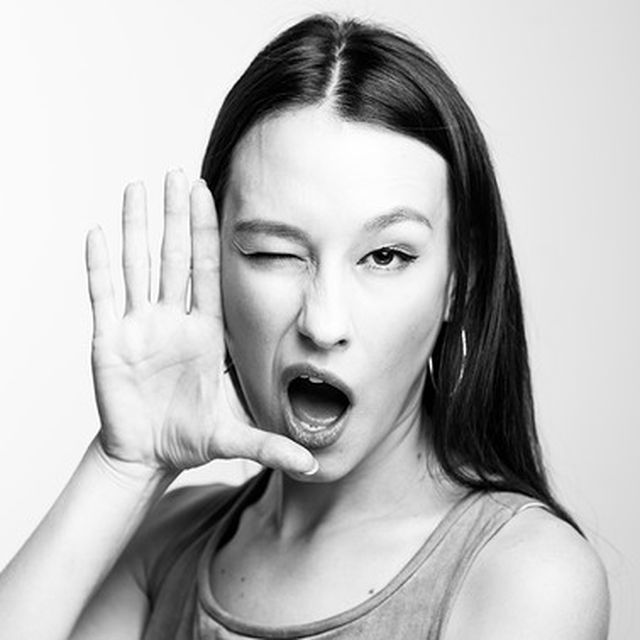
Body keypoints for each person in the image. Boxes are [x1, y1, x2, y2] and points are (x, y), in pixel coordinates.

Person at [0, 13, 610, 639]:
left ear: (461, 279)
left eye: (386, 256)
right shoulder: (165, 543)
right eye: (275, 253)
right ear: (214, 267)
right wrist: (124, 465)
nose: (324, 322)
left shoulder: (524, 577)